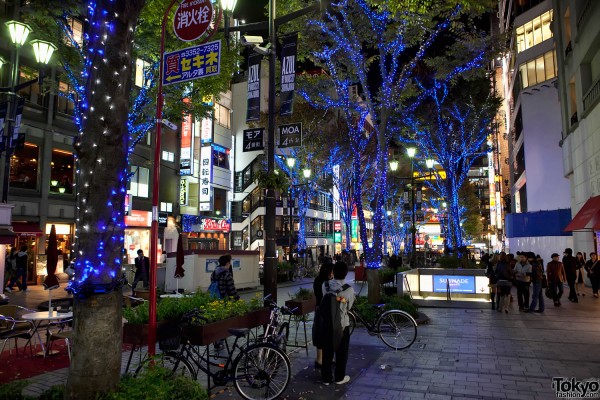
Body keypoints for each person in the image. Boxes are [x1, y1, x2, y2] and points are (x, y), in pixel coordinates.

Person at [320, 261, 354, 385]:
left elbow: (325, 298)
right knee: (341, 352)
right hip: (342, 324)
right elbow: (349, 307)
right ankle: (339, 377)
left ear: (333, 272)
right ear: (346, 274)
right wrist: (340, 299)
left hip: (326, 323)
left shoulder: (325, 285)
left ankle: (326, 378)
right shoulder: (348, 289)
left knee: (327, 351)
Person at [312, 262, 334, 369]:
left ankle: (319, 359)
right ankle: (322, 360)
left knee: (319, 333)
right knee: (325, 334)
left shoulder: (317, 280)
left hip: (318, 308)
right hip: (325, 311)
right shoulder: (327, 283)